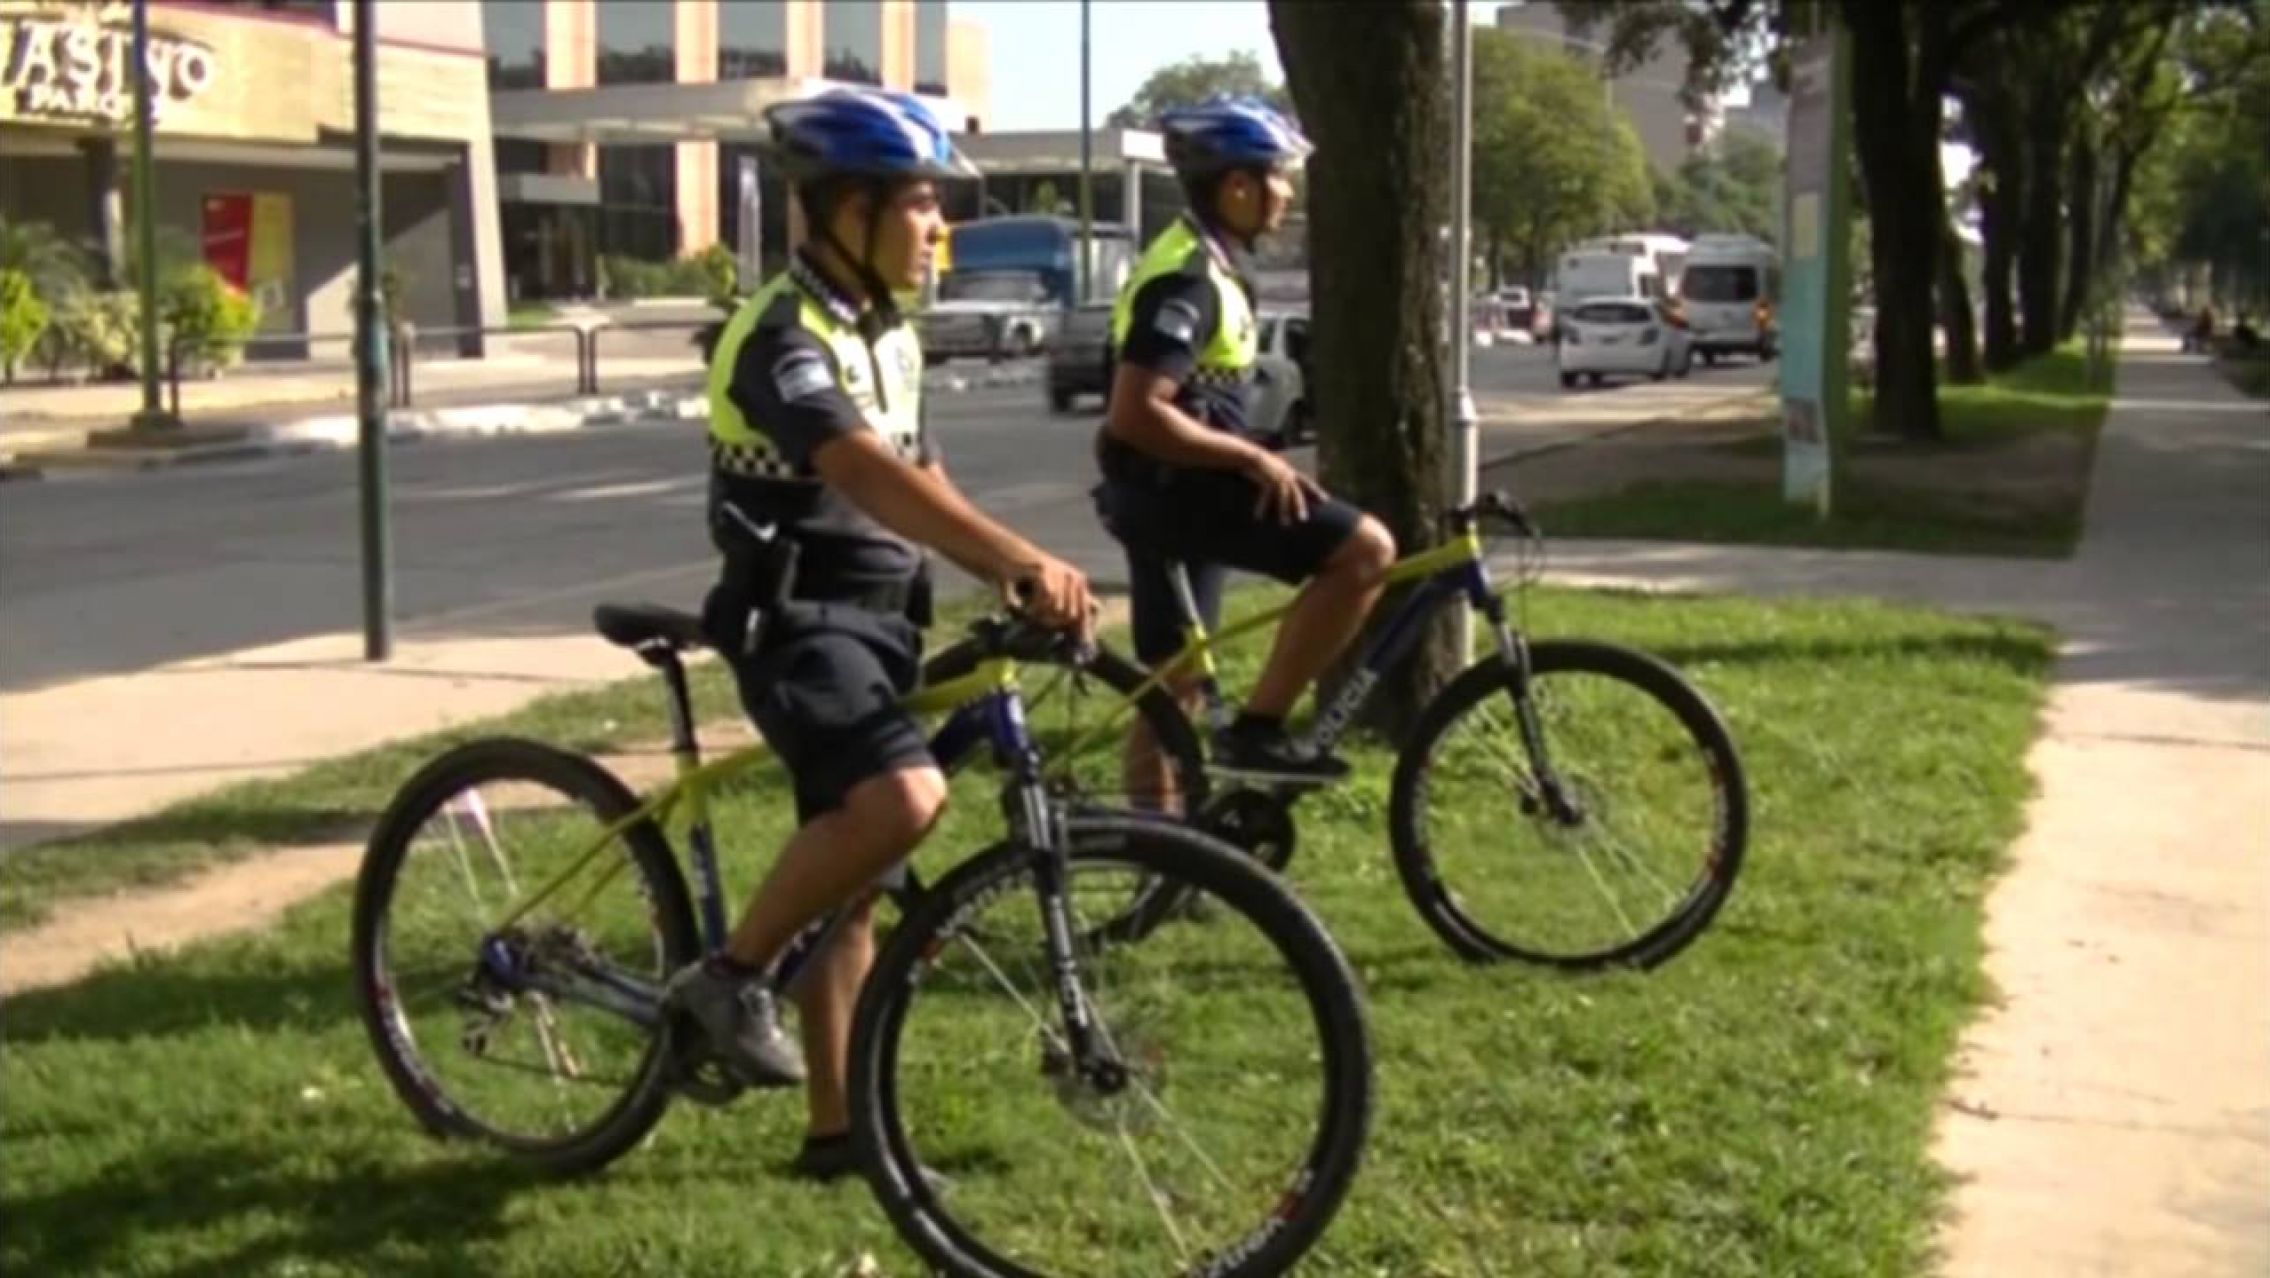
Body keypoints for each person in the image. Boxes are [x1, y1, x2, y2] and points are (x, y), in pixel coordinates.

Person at [665, 87, 1093, 1181]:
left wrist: (1004, 566)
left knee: (855, 873)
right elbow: (851, 468)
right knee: (901, 801)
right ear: (844, 210)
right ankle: (728, 977)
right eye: (919, 203)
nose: (939, 226)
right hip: (795, 624)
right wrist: (1010, 560)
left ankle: (834, 1134)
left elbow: (914, 472)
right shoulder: (781, 337)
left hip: (876, 621)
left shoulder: (883, 334)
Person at [1092, 98, 1396, 796]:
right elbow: (1136, 411)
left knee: (1176, 683)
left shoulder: (1209, 261)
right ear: (1235, 186)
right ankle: (1258, 731)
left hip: (1161, 487)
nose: (1286, 193)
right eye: (1276, 177)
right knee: (1366, 552)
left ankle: (1154, 859)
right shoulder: (1188, 279)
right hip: (1174, 490)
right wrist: (1252, 459)